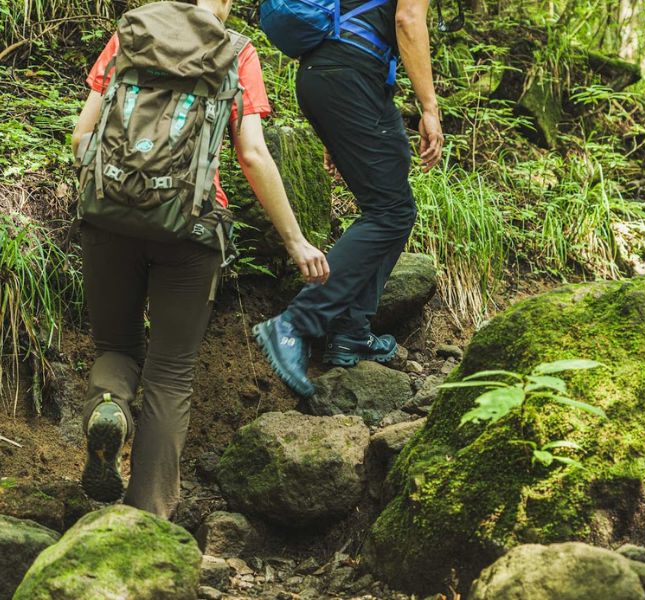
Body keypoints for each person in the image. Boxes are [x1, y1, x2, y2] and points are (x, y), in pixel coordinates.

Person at [72, 0, 329, 518]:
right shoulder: (235, 51)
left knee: (116, 345)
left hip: (108, 219)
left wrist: (112, 198)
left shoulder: (134, 30)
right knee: (170, 372)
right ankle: (148, 515)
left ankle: (108, 407)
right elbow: (253, 153)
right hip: (189, 229)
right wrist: (296, 240)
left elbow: (82, 137)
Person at [252, 0, 444, 398]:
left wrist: (336, 132)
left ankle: (351, 332)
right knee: (391, 212)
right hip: (349, 78)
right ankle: (295, 324)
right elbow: (408, 19)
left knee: (393, 208)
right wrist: (429, 107)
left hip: (327, 76)